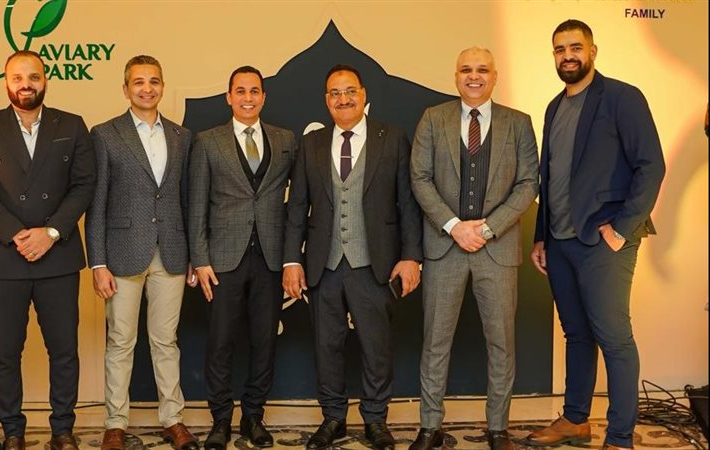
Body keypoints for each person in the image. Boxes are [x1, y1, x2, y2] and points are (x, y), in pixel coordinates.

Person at [525, 19, 665, 450]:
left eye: (575, 47)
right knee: (577, 334)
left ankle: (620, 437)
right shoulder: (553, 107)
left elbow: (651, 166)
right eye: (560, 49)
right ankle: (575, 420)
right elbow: (551, 178)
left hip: (604, 240)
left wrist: (622, 229)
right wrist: (542, 235)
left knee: (613, 337)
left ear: (592, 51)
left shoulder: (622, 97)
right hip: (561, 242)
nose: (568, 55)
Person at [283, 64, 422, 450]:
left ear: (363, 95)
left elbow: (408, 203)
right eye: (334, 93)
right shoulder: (311, 144)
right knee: (327, 346)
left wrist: (411, 256)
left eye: (349, 92)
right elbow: (297, 208)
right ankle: (333, 418)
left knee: (376, 347)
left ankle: (376, 420)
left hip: (375, 263)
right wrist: (292, 261)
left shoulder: (392, 138)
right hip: (323, 264)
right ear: (326, 100)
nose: (342, 99)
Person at [0, 50, 96, 450]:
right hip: (3, 258)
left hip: (58, 256)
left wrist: (50, 232)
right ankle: (13, 431)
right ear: (6, 82)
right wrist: (18, 234)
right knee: (5, 351)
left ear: (45, 79)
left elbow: (84, 185)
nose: (26, 84)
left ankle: (63, 430)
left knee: (64, 349)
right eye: (18, 78)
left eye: (33, 77)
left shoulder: (71, 125)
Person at [409, 47, 539, 450]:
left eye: (482, 69)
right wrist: (453, 226)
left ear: (494, 76)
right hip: (445, 248)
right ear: (456, 76)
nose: (474, 76)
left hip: (496, 250)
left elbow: (528, 184)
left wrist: (486, 228)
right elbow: (420, 178)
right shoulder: (433, 119)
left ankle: (498, 428)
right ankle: (430, 427)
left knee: (501, 343)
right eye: (466, 69)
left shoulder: (519, 123)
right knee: (435, 342)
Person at [85, 55, 198, 450]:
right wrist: (97, 262)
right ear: (126, 89)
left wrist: (194, 256)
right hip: (121, 254)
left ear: (162, 87)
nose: (147, 88)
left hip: (172, 252)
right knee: (121, 342)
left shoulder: (182, 137)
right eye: (138, 82)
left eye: (154, 81)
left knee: (166, 341)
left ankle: (173, 420)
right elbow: (96, 203)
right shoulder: (105, 134)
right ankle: (115, 424)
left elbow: (187, 200)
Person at [189, 66, 295, 449]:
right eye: (240, 91)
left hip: (270, 257)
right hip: (222, 260)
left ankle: (253, 417)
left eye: (254, 91)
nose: (247, 98)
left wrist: (292, 258)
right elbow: (197, 205)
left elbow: (297, 201)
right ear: (228, 97)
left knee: (264, 341)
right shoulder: (208, 141)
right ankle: (220, 420)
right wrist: (200, 259)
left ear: (263, 97)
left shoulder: (286, 140)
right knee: (221, 342)